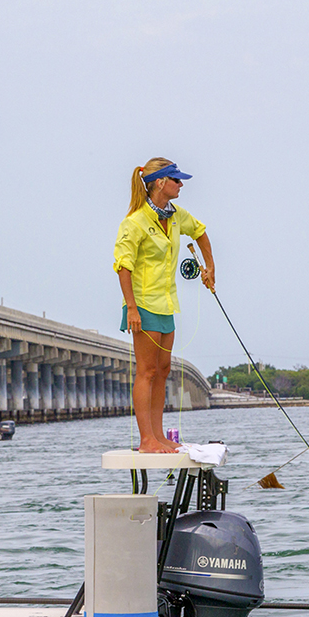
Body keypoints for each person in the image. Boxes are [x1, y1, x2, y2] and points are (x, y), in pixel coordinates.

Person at [114, 158, 216, 453]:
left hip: (166, 304)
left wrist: (210, 268)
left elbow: (200, 231)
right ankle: (146, 439)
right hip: (143, 306)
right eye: (176, 180)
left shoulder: (174, 215)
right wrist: (131, 308)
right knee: (146, 371)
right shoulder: (134, 223)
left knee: (163, 369)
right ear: (160, 182)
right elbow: (123, 267)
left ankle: (159, 436)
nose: (181, 185)